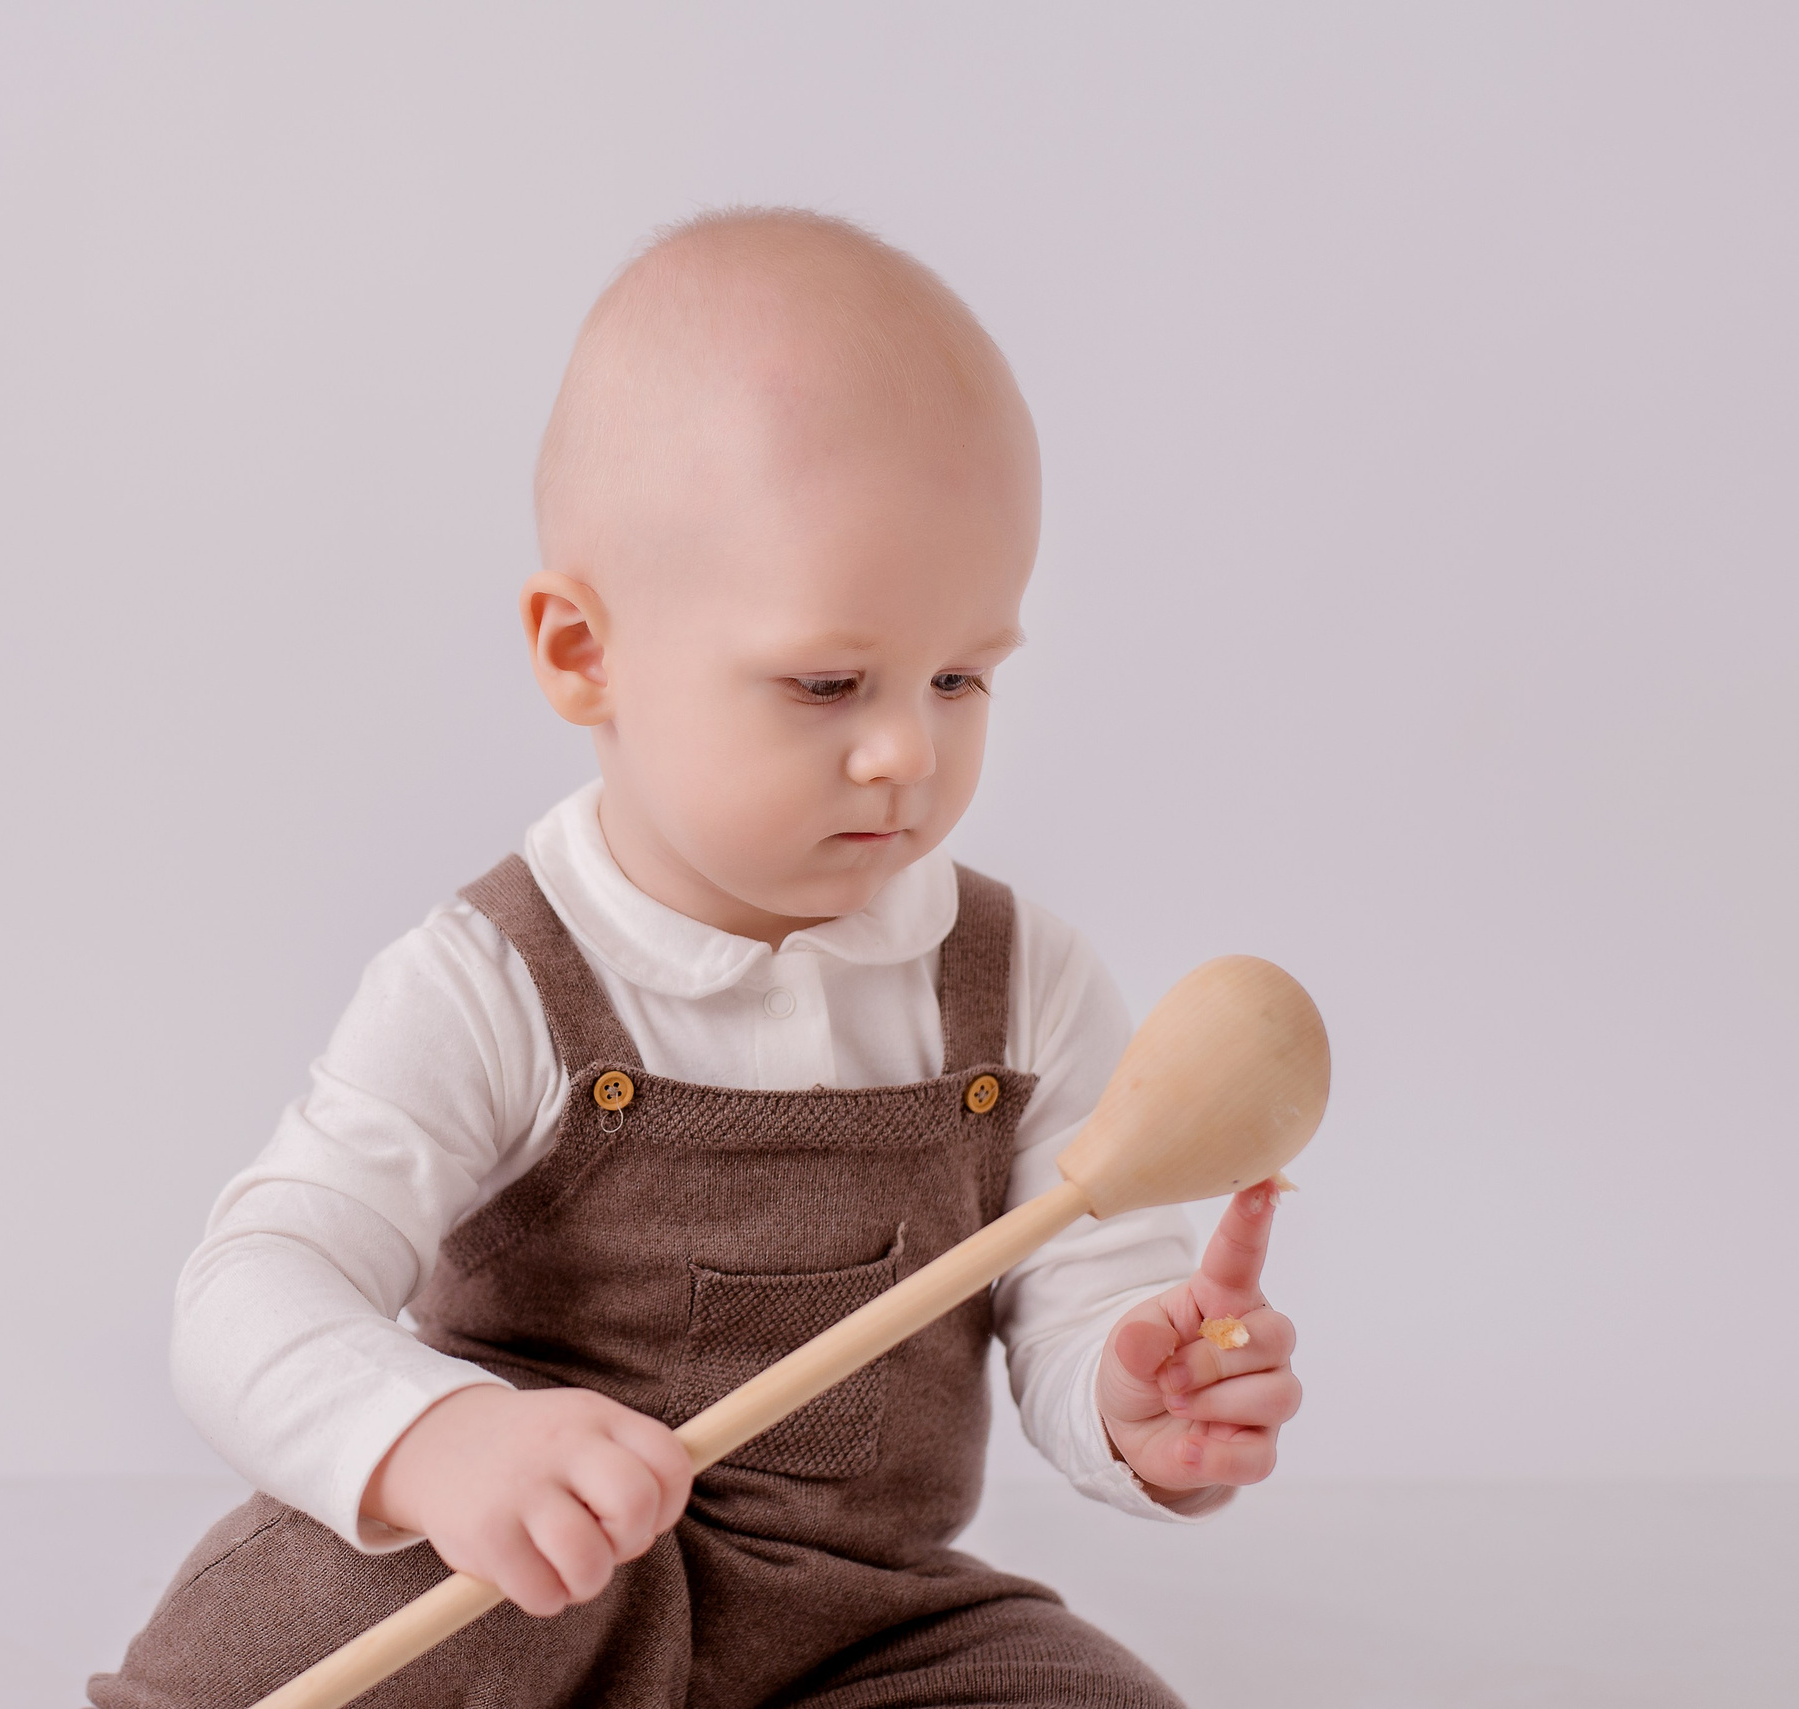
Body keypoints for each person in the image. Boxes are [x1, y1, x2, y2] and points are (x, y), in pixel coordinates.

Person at [90, 208, 1301, 1709]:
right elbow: (250, 1289)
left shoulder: (1021, 984)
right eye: (827, 680)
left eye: (961, 674)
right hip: (530, 1600)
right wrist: (441, 1440)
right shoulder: (497, 979)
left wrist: (1135, 1396)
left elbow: (1080, 1294)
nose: (907, 752)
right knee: (321, 1614)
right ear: (582, 652)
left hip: (857, 1633)